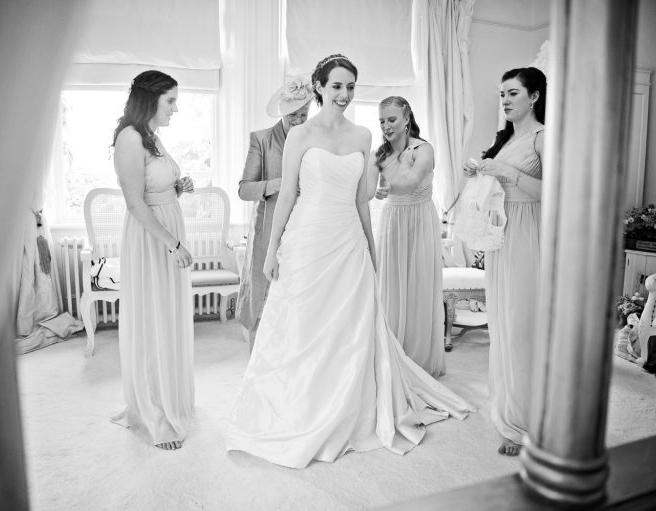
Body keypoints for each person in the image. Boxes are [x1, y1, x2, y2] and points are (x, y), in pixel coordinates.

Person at [226, 55, 472, 469]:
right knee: (304, 323)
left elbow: (361, 201)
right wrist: (271, 251)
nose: (344, 94)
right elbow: (287, 196)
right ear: (319, 87)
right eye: (337, 86)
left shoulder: (362, 136)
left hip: (348, 239)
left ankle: (348, 406)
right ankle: (302, 407)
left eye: (351, 87)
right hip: (307, 238)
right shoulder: (301, 135)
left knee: (352, 326)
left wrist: (370, 248)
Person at [462, 66, 545, 457]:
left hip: (528, 234)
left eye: (513, 93)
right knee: (503, 324)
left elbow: (555, 190)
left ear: (534, 96)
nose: (506, 100)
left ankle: (527, 421)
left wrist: (506, 172)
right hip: (503, 235)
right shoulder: (507, 138)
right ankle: (509, 407)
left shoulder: (543, 137)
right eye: (502, 94)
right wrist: (478, 171)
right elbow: (494, 188)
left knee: (522, 324)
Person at [110, 70, 195, 451]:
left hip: (165, 232)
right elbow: (135, 203)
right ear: (151, 99)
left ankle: (170, 397)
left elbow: (155, 189)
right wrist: (173, 245)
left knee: (167, 316)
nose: (175, 108)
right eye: (170, 101)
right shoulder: (130, 138)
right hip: (151, 241)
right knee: (151, 320)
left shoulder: (152, 136)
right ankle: (153, 414)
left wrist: (178, 187)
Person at [370, 96, 445, 377]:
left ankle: (418, 358)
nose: (386, 126)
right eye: (382, 121)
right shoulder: (379, 154)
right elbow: (366, 186)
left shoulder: (423, 149)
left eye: (391, 119)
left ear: (406, 118)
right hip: (393, 220)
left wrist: (388, 189)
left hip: (420, 219)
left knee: (419, 284)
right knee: (392, 285)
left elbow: (412, 181)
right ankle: (393, 351)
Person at [237, 75, 313, 349]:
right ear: (282, 111)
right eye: (293, 115)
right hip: (268, 230)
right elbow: (244, 189)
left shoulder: (314, 139)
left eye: (304, 115)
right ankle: (257, 357)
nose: (299, 121)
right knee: (264, 296)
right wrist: (277, 184)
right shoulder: (261, 139)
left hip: (304, 229)